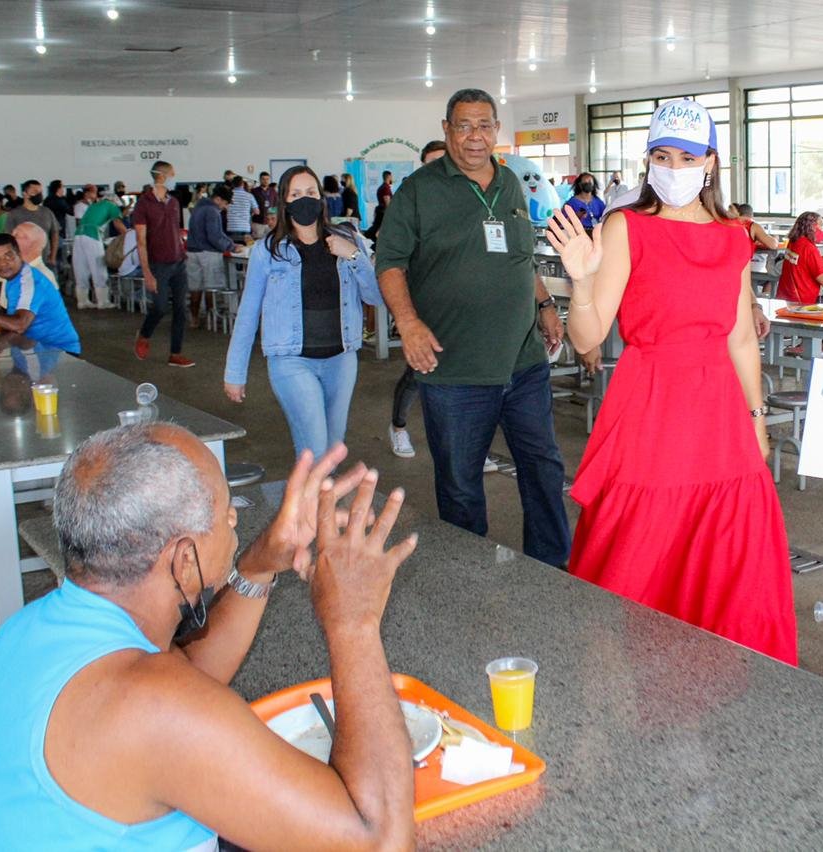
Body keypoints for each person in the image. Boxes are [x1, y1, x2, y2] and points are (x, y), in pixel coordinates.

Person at [0, 429, 419, 851]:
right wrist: (351, 620)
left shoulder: (29, 630)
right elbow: (378, 838)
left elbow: (186, 684)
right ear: (184, 561)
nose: (235, 522)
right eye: (227, 512)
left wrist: (259, 563)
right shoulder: (154, 706)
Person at [546, 98, 795, 664]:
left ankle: (714, 677)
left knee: (729, 548)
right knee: (640, 544)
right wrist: (580, 283)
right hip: (651, 403)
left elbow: (738, 337)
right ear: (647, 161)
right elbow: (587, 339)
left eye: (687, 157)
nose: (674, 168)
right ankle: (625, 673)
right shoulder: (627, 227)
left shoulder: (734, 236)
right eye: (662, 155)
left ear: (711, 162)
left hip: (719, 412)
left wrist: (757, 419)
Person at [376, 88, 569, 567]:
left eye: (484, 125)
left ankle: (553, 571)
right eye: (464, 126)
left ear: (496, 130)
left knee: (543, 471)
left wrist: (544, 302)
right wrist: (409, 322)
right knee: (461, 485)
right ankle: (467, 580)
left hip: (523, 363)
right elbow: (390, 262)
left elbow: (520, 258)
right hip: (455, 371)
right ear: (446, 129)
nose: (475, 136)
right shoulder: (419, 190)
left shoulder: (511, 183)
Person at [225, 167, 379, 459]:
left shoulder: (347, 240)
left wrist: (355, 256)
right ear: (284, 200)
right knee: (316, 447)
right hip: (291, 360)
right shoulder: (267, 251)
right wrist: (235, 371)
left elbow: (374, 296)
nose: (304, 199)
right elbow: (248, 313)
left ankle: (314, 503)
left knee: (332, 451)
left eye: (311, 192)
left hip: (341, 359)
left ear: (321, 198)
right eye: (295, 194)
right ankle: (315, 502)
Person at [388, 140, 447, 460]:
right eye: (431, 163)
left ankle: (471, 445)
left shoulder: (464, 200)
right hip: (421, 302)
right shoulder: (410, 200)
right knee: (418, 372)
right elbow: (393, 258)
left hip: (458, 306)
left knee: (465, 378)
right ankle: (398, 427)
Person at [0, 233, 80, 354]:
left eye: (8, 256)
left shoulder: (29, 282)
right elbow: (16, 320)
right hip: (32, 347)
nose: (3, 263)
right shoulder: (14, 278)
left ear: (19, 254)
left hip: (57, 351)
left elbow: (19, 325)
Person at [133, 161, 194, 367]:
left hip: (178, 262)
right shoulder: (144, 204)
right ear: (162, 176)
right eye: (172, 174)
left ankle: (175, 353)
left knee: (180, 308)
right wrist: (147, 272)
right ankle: (144, 334)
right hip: (158, 263)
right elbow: (141, 241)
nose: (174, 177)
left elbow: (176, 230)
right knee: (159, 307)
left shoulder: (174, 202)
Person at [187, 185, 238, 327]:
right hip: (209, 253)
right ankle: (213, 318)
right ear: (218, 199)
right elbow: (215, 236)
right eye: (226, 203)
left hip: (192, 252)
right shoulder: (212, 211)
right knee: (212, 287)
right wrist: (231, 246)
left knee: (195, 288)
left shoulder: (198, 207)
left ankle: (194, 318)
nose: (226, 207)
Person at [72, 184, 126, 309]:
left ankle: (82, 301)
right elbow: (117, 223)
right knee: (98, 268)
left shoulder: (94, 206)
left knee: (81, 268)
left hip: (78, 236)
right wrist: (129, 235)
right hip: (92, 235)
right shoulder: (112, 206)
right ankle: (103, 302)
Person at [776, 211, 823, 304]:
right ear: (812, 226)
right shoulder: (809, 249)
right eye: (821, 225)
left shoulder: (794, 242)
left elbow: (802, 268)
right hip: (803, 301)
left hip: (786, 297)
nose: (822, 230)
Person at [5, 180, 61, 271]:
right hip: (23, 263)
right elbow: (9, 238)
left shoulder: (47, 212)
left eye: (40, 192)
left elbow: (55, 233)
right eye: (35, 192)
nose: (38, 195)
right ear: (25, 194)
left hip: (45, 261)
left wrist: (53, 257)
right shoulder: (14, 214)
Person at [226, 174, 258, 242]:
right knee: (247, 248)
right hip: (245, 227)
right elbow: (257, 211)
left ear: (233, 184)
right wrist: (250, 213)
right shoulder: (249, 196)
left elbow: (224, 208)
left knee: (233, 249)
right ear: (242, 184)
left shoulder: (228, 195)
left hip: (231, 227)